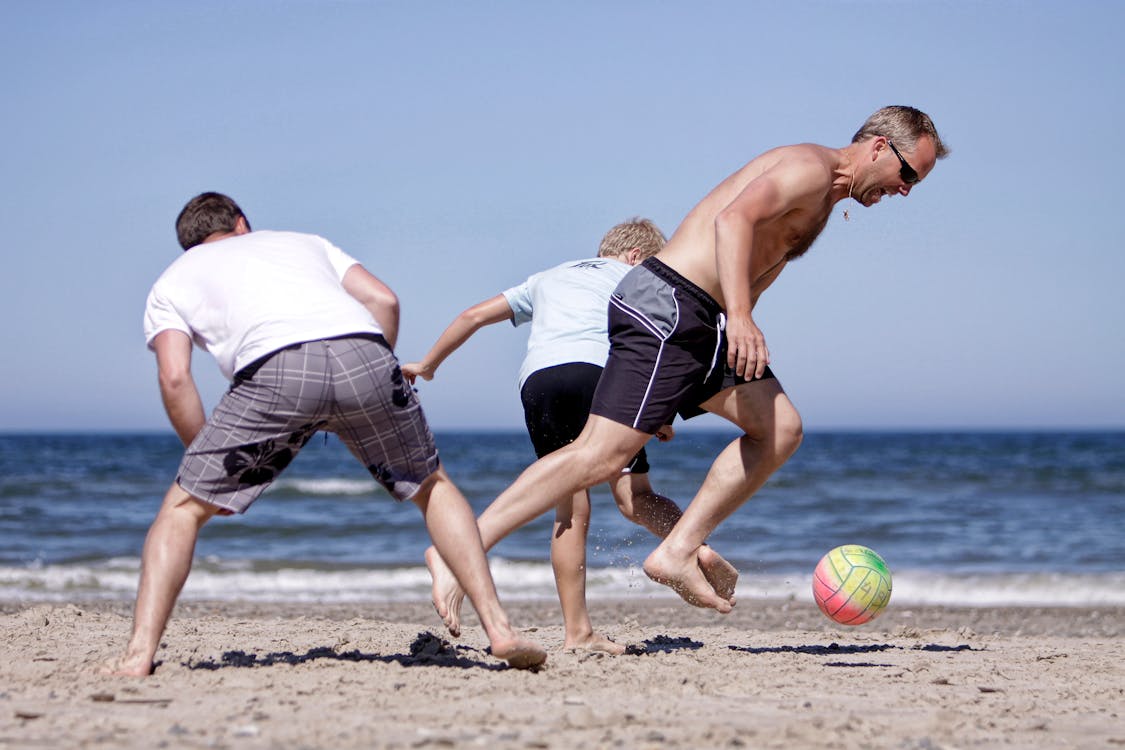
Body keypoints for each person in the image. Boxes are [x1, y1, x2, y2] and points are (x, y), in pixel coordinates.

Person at [426, 105, 949, 633]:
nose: (905, 190)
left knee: (780, 429)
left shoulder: (822, 196)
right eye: (908, 174)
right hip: (670, 305)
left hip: (702, 323)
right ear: (879, 146)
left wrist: (733, 327)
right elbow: (732, 220)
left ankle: (677, 550)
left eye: (916, 184)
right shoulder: (811, 168)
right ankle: (457, 552)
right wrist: (740, 318)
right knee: (598, 457)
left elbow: (757, 264)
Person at [104, 192, 546, 675]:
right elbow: (384, 299)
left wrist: (204, 461)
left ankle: (137, 657)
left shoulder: (174, 278)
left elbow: (174, 378)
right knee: (433, 486)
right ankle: (500, 630)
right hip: (365, 352)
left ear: (189, 245)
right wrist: (369, 383)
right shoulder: (302, 242)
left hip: (276, 370)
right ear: (241, 222)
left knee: (182, 509)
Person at [402, 219, 737, 653]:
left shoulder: (546, 277)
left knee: (570, 509)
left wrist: (429, 364)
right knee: (634, 495)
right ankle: (693, 547)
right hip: (600, 374)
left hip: (538, 380)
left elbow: (473, 316)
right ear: (637, 257)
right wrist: (660, 411)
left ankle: (578, 630)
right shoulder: (641, 277)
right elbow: (658, 342)